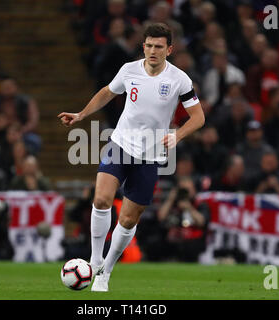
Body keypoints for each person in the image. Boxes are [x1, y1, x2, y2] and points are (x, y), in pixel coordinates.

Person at [58, 23, 205, 292]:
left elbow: (198, 118)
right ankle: (94, 259)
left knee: (127, 220)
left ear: (169, 50)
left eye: (158, 46)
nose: (152, 50)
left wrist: (178, 135)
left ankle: (105, 273)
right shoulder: (129, 70)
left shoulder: (179, 80)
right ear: (143, 46)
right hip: (120, 144)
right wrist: (81, 115)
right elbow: (107, 92)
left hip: (149, 157)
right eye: (148, 45)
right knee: (101, 199)